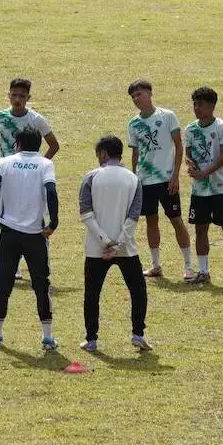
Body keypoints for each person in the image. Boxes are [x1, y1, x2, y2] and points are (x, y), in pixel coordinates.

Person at [0, 78, 60, 278]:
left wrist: (38, 166)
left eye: (22, 96)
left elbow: (54, 144)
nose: (17, 99)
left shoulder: (36, 119)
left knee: (27, 219)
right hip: (4, 173)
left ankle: (18, 266)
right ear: (8, 95)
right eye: (14, 95)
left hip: (26, 178)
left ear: (28, 97)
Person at [0, 128, 59, 350]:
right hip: (35, 234)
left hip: (9, 231)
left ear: (17, 143)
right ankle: (47, 337)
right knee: (41, 285)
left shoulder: (5, 162)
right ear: (38, 144)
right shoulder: (45, 164)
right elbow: (51, 191)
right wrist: (53, 222)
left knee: (3, 284)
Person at [78, 135, 150, 353]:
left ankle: (91, 339)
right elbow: (133, 216)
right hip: (126, 248)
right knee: (138, 291)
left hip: (96, 249)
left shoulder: (91, 177)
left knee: (92, 293)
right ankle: (138, 334)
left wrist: (104, 241)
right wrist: (118, 244)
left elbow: (86, 213)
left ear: (103, 153)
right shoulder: (133, 179)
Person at [125, 80, 192, 279]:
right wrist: (134, 178)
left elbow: (178, 146)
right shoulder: (133, 124)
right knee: (151, 221)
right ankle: (155, 265)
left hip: (166, 178)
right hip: (145, 180)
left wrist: (175, 175)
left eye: (139, 94)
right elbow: (135, 154)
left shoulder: (167, 116)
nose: (136, 99)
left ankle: (189, 266)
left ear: (150, 93)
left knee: (176, 219)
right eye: (133, 96)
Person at [184, 87, 223, 286]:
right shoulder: (190, 129)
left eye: (200, 104)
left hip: (220, 188)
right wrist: (190, 163)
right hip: (199, 190)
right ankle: (203, 271)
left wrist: (204, 173)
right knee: (200, 230)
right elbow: (188, 153)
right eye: (194, 104)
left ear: (212, 106)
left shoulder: (222, 127)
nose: (196, 108)